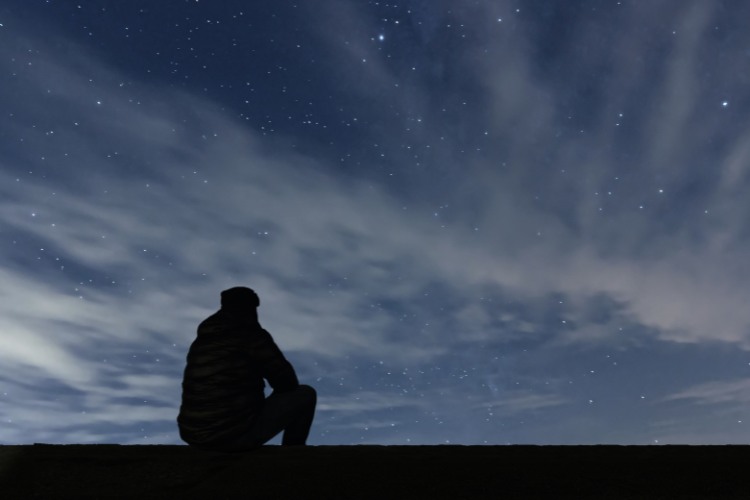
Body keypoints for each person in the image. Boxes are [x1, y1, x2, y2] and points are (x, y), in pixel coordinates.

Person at [177, 286, 316, 451]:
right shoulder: (251, 335)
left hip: (194, 434)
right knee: (304, 394)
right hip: (230, 435)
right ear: (252, 306)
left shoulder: (203, 340)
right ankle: (293, 453)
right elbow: (287, 382)